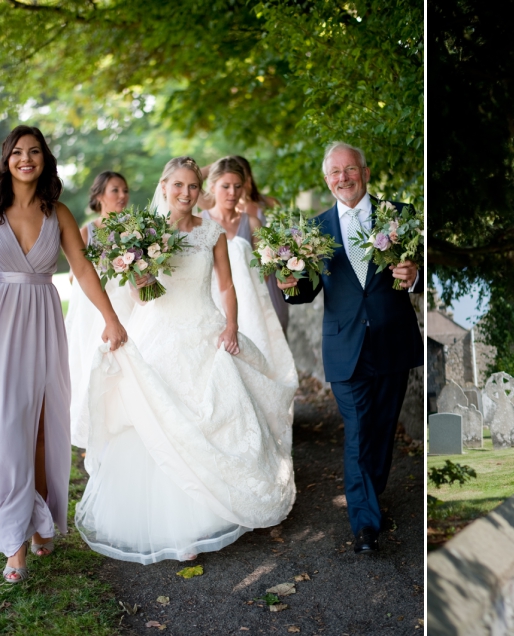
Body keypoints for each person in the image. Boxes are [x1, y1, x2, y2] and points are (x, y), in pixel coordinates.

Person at [74, 156, 297, 564]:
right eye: (178, 185)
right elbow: (144, 298)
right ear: (164, 186)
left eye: (193, 186)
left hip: (205, 329)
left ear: (200, 191)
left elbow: (227, 286)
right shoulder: (142, 234)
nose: (185, 193)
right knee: (158, 418)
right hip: (158, 333)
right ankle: (172, 526)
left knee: (218, 414)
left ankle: (212, 513)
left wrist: (231, 326)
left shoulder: (212, 232)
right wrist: (142, 280)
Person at [277, 141, 423, 554]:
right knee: (358, 431)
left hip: (393, 339)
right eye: (335, 172)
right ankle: (364, 525)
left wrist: (414, 274)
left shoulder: (400, 216)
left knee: (381, 430)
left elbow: (423, 266)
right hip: (344, 345)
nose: (344, 177)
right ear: (327, 180)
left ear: (365, 172)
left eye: (350, 169)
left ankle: (369, 500)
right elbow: (305, 289)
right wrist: (289, 286)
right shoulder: (315, 230)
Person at [0, 125, 127, 583]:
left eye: (34, 152)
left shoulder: (60, 213)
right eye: (17, 152)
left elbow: (84, 268)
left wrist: (111, 318)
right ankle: (14, 543)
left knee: (40, 429)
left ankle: (40, 521)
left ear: (45, 160)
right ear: (6, 159)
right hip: (2, 323)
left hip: (44, 320)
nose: (26, 159)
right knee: (7, 430)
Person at [201, 157, 297, 379]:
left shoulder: (252, 222)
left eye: (237, 186)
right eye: (225, 186)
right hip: (214, 303)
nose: (232, 193)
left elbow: (266, 265)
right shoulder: (200, 222)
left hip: (250, 301)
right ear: (212, 186)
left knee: (254, 359)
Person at [66, 171, 136, 447]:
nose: (122, 196)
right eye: (115, 190)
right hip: (97, 304)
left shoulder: (135, 229)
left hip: (128, 300)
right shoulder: (88, 230)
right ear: (99, 196)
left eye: (125, 190)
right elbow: (75, 274)